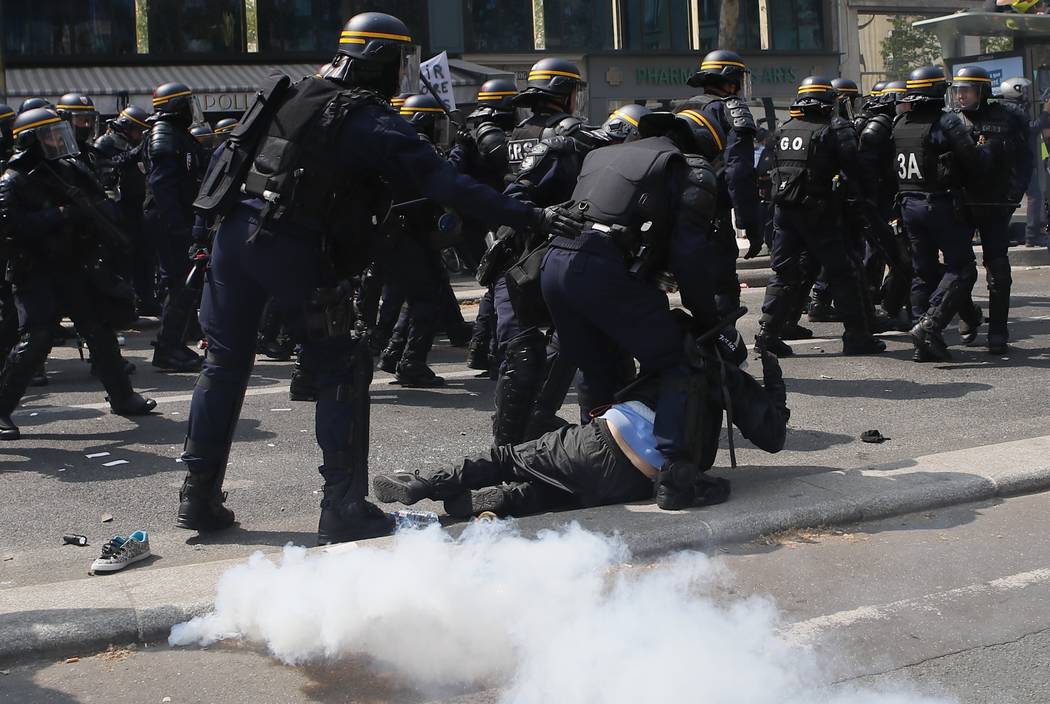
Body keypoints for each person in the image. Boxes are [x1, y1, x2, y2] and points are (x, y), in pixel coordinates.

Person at [176, 11, 579, 544]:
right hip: (291, 247)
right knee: (342, 367)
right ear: (382, 61)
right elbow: (446, 184)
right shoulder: (368, 119)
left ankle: (198, 498)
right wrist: (533, 216)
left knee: (224, 365)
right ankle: (342, 507)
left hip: (233, 238)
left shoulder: (290, 93)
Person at [372, 324, 789, 518]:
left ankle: (423, 484)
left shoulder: (668, 353)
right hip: (644, 479)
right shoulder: (729, 379)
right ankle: (508, 502)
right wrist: (774, 385)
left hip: (603, 440)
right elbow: (772, 437)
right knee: (570, 495)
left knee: (508, 458)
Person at [538, 109, 726, 511]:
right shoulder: (690, 168)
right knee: (677, 359)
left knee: (598, 368)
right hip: (600, 269)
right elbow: (691, 256)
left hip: (554, 264)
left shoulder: (608, 154)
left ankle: (597, 464)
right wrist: (707, 319)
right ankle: (677, 477)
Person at [0, 108, 156, 440]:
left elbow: (101, 203)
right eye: (50, 137)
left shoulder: (69, 170)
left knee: (98, 330)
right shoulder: (12, 181)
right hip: (35, 272)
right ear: (31, 142)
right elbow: (11, 227)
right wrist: (60, 215)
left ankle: (122, 396)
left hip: (72, 265)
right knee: (36, 339)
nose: (58, 141)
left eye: (59, 134)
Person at [756, 77, 885, 358]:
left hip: (783, 212)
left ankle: (768, 335)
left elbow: (768, 172)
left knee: (784, 273)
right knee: (843, 273)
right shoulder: (835, 129)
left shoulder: (783, 130)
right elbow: (857, 171)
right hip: (819, 213)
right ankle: (857, 337)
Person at [890, 65, 982, 362]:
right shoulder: (947, 123)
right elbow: (972, 163)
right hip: (939, 204)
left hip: (908, 205)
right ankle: (930, 324)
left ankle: (922, 340)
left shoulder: (900, 122)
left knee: (923, 271)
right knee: (963, 267)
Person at [950, 66, 1033, 355]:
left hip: (996, 203)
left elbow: (1026, 159)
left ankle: (998, 330)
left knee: (997, 269)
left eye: (967, 90)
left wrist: (1015, 191)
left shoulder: (1009, 118)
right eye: (957, 90)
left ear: (982, 92)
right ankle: (969, 316)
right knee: (957, 269)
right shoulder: (951, 121)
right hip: (961, 204)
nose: (960, 96)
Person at [680, 49, 762, 318]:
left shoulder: (682, 109)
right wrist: (749, 222)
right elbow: (738, 171)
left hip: (678, 212)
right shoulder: (731, 109)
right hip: (712, 215)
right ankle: (720, 355)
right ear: (730, 82)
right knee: (723, 290)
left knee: (692, 289)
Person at [143, 82, 208, 372]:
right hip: (169, 220)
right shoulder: (165, 135)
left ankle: (175, 343)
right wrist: (179, 227)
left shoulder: (176, 135)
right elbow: (162, 186)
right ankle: (167, 348)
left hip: (176, 218)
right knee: (180, 284)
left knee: (184, 283)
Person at [95, 105, 154, 314]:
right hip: (118, 208)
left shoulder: (136, 144)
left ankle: (146, 299)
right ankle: (125, 304)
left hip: (137, 205)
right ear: (126, 127)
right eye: (139, 130)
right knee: (123, 257)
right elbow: (107, 168)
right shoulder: (106, 143)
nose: (141, 135)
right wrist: (135, 154)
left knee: (144, 256)